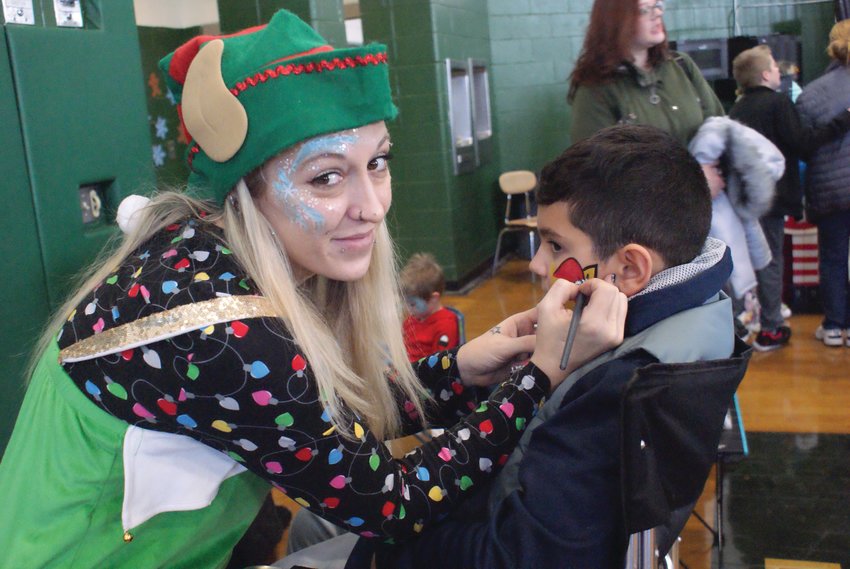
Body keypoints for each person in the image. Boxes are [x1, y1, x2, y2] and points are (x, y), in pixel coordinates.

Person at [0, 10, 626, 568]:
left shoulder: (208, 250)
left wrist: (463, 369)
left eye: (377, 163)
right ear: (249, 188)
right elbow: (392, 502)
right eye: (327, 177)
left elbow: (316, 422)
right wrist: (538, 376)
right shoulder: (215, 326)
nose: (372, 205)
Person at [369, 124, 741, 568]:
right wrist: (490, 375)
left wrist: (387, 551)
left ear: (630, 267)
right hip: (488, 509)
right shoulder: (697, 312)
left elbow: (521, 557)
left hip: (466, 537)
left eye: (555, 244)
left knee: (315, 531)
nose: (537, 262)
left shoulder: (619, 383)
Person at [728, 45, 850, 351]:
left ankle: (740, 322)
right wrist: (843, 120)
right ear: (766, 74)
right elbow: (802, 143)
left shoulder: (737, 109)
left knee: (745, 260)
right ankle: (771, 326)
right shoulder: (779, 104)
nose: (780, 72)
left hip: (743, 198)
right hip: (772, 197)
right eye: (774, 66)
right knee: (770, 260)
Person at [796, 19, 850, 347]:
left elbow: (804, 145)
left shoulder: (810, 93)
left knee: (831, 257)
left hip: (829, 191)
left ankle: (833, 326)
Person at [401, 252, 460, 361]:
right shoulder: (413, 319)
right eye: (406, 303)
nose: (408, 309)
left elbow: (440, 365)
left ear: (433, 299)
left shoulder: (445, 325)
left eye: (413, 304)